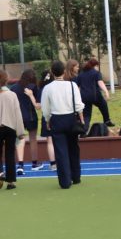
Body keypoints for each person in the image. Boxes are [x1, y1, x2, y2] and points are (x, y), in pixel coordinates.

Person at [40, 61, 84, 189]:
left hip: (56, 119)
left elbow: (45, 108)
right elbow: (79, 104)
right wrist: (81, 119)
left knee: (60, 151)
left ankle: (65, 181)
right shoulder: (72, 85)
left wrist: (47, 120)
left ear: (52, 72)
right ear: (64, 71)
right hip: (71, 118)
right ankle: (76, 177)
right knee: (74, 148)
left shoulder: (47, 88)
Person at [10, 70, 43, 173]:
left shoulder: (14, 88)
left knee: (20, 139)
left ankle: (20, 164)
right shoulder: (33, 87)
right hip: (31, 117)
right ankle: (34, 163)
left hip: (18, 117)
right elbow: (38, 104)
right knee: (33, 139)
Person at [0, 70, 25, 190]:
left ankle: (0, 173)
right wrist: (20, 132)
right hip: (10, 127)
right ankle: (11, 181)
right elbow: (17, 114)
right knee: (10, 153)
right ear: (6, 80)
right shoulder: (12, 95)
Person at [74, 58, 113, 130]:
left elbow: (78, 87)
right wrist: (106, 91)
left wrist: (78, 97)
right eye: (97, 66)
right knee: (103, 105)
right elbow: (100, 82)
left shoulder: (81, 74)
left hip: (84, 97)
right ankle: (107, 120)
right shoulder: (96, 73)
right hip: (95, 95)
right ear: (95, 66)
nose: (97, 67)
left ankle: (84, 130)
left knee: (87, 115)